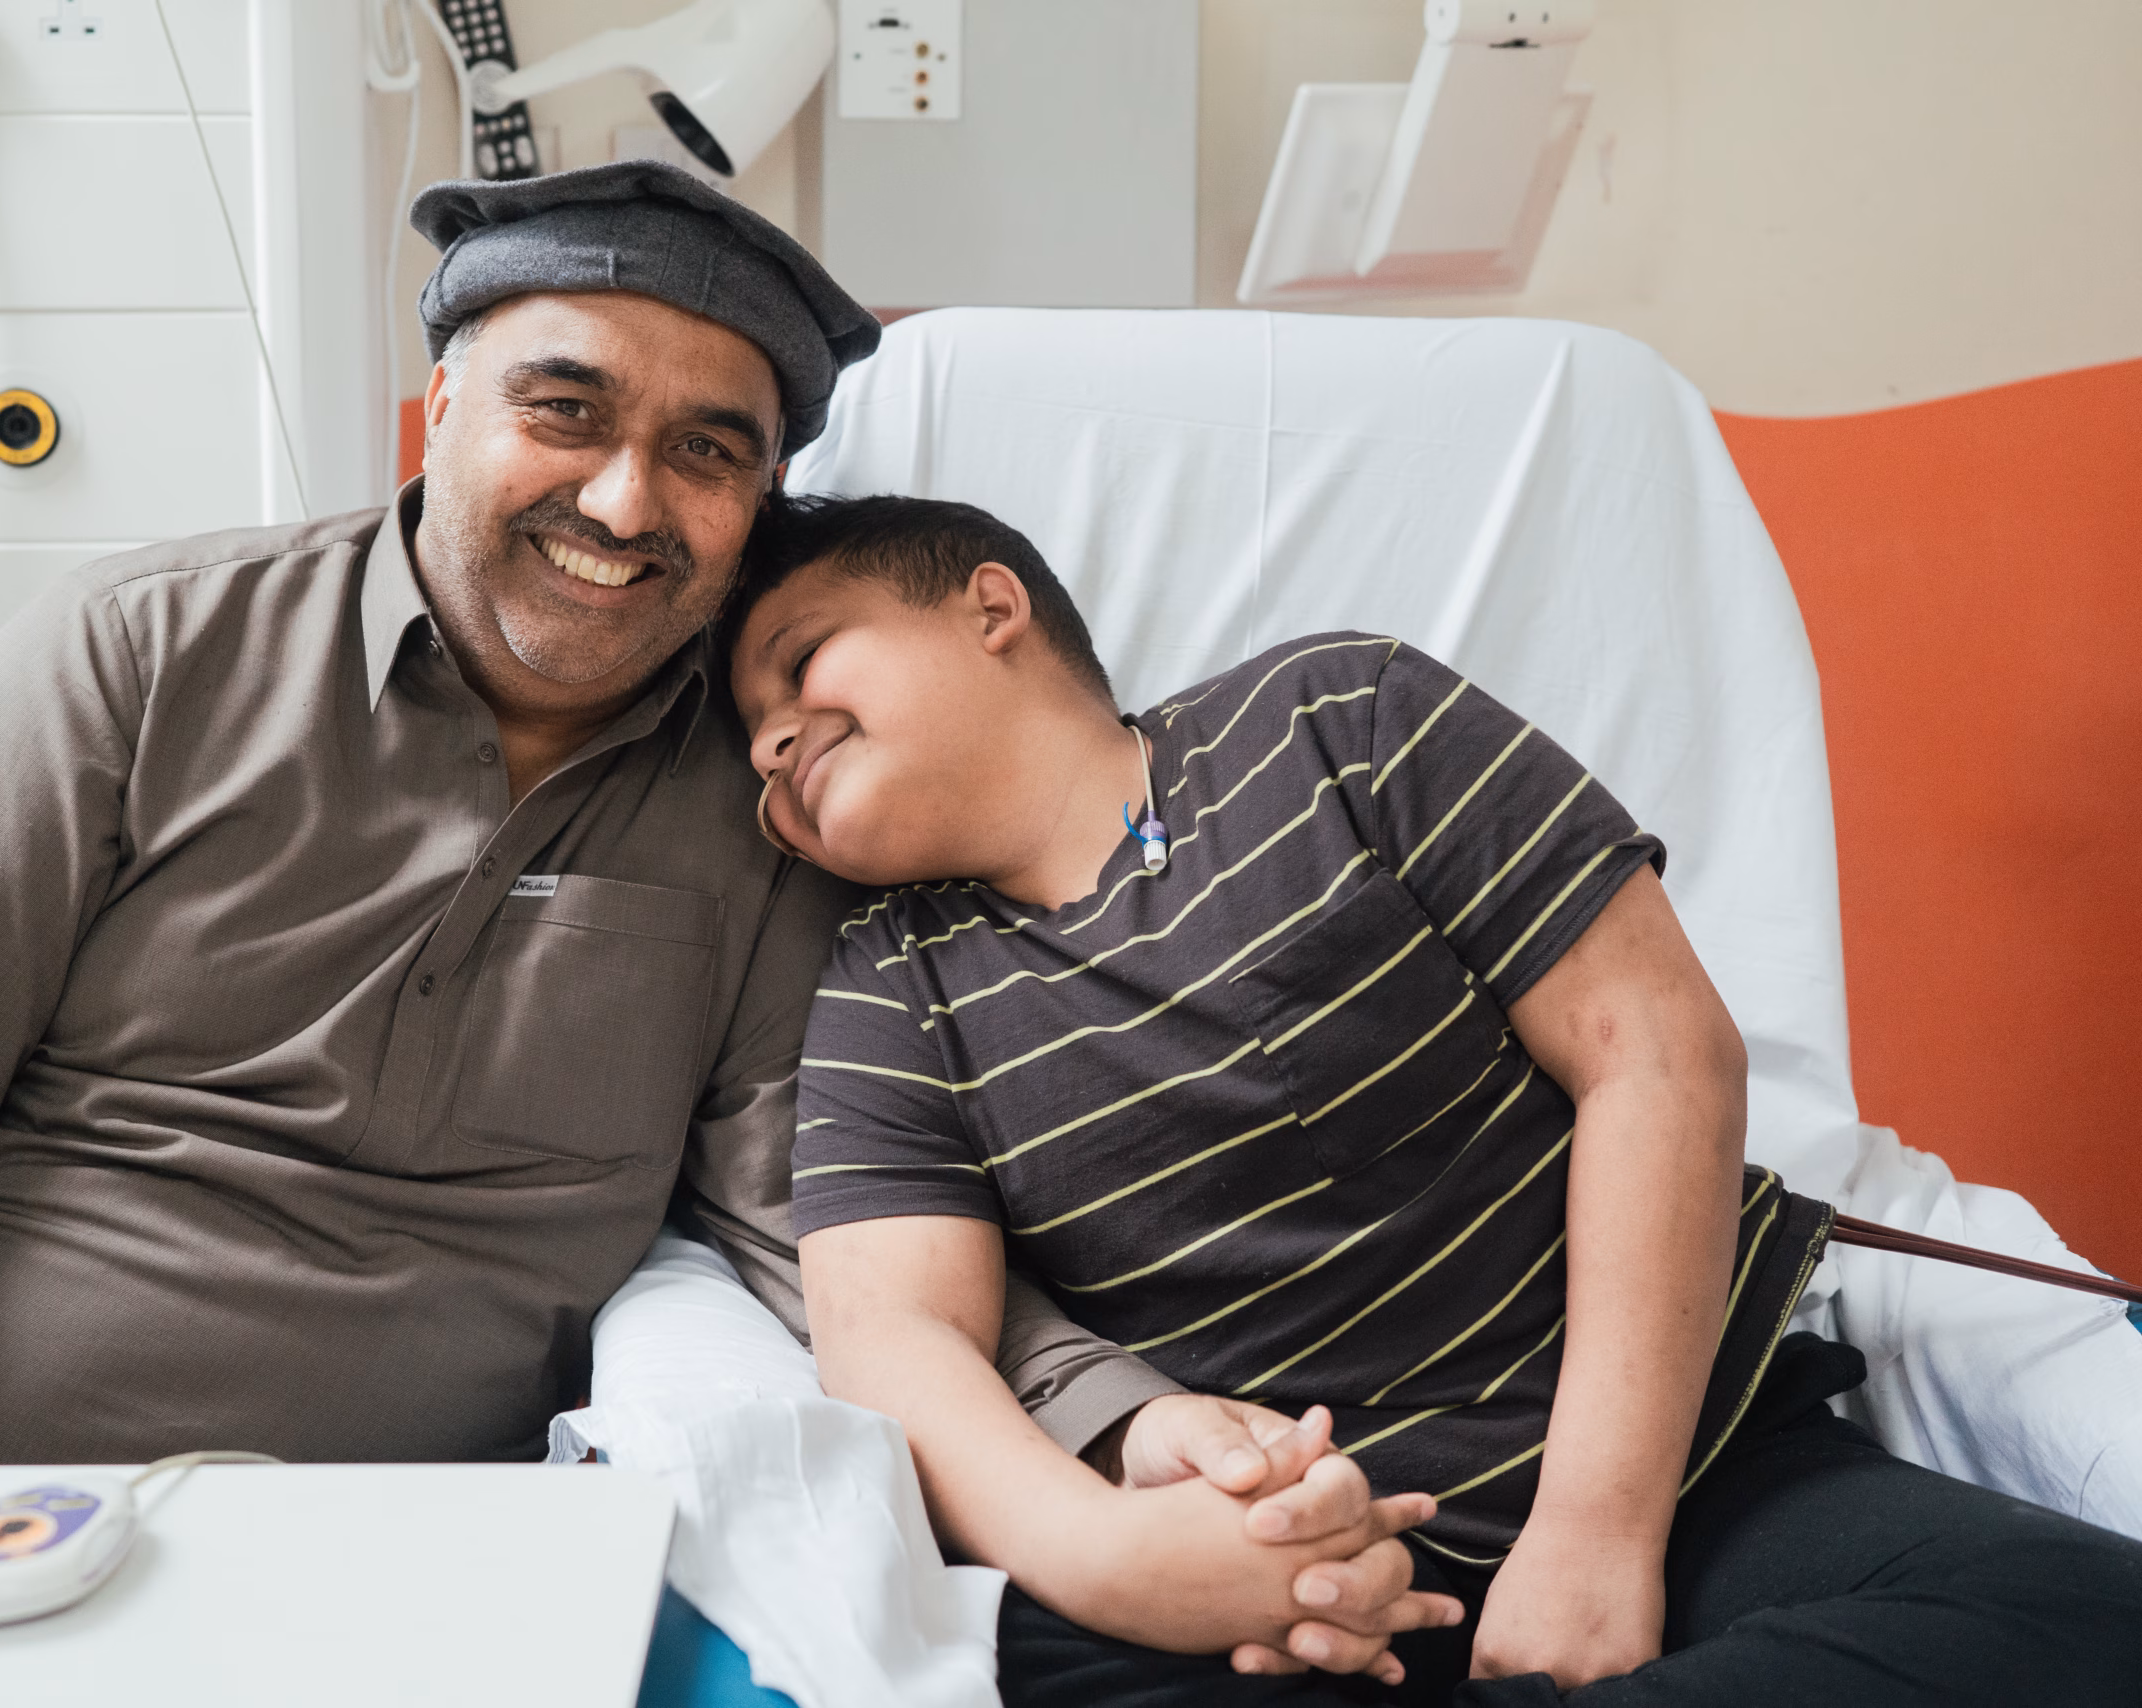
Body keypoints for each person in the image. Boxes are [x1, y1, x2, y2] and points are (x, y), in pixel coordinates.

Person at [0, 162, 1449, 1683]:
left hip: (340, 1591)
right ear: (443, 405)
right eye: (567, 411)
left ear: (759, 502)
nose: (626, 499)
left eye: (709, 454)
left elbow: (831, 1219)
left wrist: (1131, 1433)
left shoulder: (768, 800)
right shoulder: (144, 655)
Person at [726, 491, 2142, 1705]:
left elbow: (1657, 1051)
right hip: (1287, 1588)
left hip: (1693, 1476)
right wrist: (1113, 1561)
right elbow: (893, 1335)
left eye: (801, 667)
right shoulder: (884, 991)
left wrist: (1596, 1530)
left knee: (2093, 1629)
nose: (773, 745)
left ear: (990, 606)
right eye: (755, 744)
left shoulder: (1333, 718)